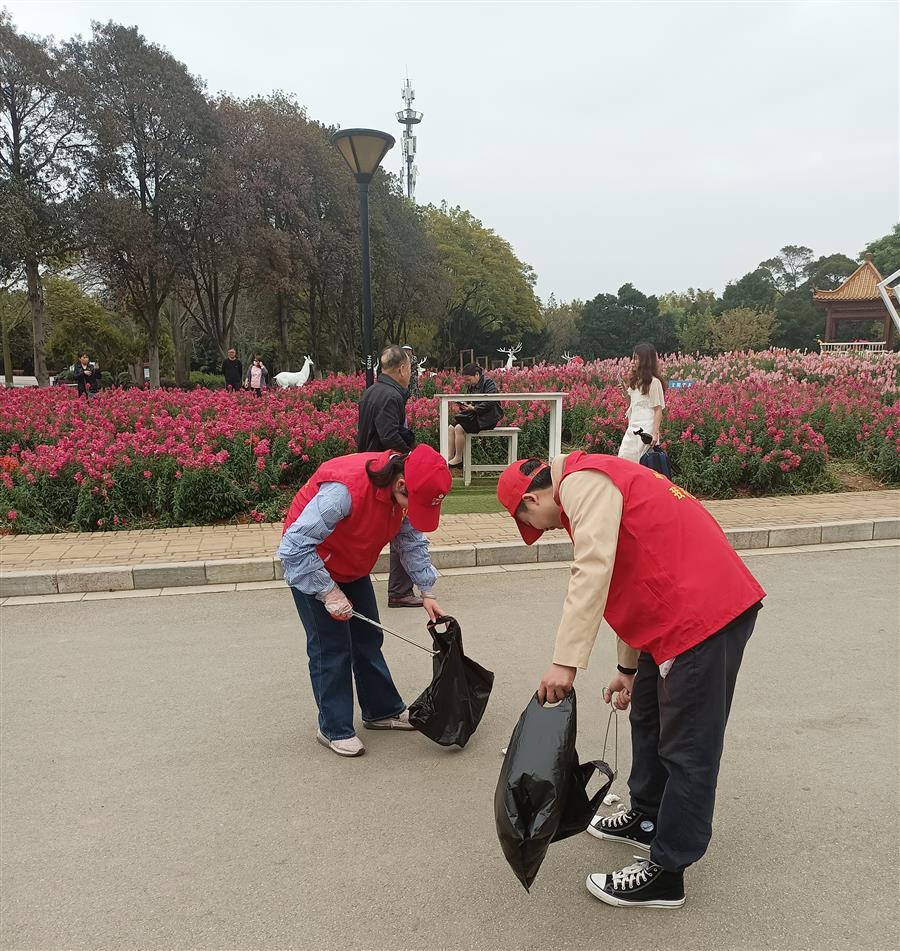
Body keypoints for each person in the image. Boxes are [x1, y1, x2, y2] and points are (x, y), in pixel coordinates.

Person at [496, 452, 765, 909]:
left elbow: (594, 568)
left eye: (534, 522)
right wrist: (627, 668)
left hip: (702, 616)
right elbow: (629, 577)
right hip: (676, 610)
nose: (548, 528)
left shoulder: (580, 483)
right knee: (648, 717)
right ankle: (647, 817)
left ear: (533, 499)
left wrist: (565, 662)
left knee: (688, 748)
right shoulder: (595, 480)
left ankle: (668, 871)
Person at [277, 445, 451, 758]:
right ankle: (333, 728)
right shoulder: (343, 492)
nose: (412, 513)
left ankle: (381, 711)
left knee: (368, 638)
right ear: (401, 484)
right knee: (331, 647)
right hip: (312, 564)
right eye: (414, 504)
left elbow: (410, 540)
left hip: (352, 563)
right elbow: (294, 547)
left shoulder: (405, 490)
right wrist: (329, 592)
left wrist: (427, 591)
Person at [358, 346, 421, 609]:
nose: (411, 373)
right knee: (405, 530)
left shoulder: (372, 391)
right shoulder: (391, 396)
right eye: (410, 368)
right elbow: (389, 436)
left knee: (380, 531)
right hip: (386, 472)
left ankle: (392, 588)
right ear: (402, 369)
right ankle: (399, 591)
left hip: (371, 467)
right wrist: (412, 458)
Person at [447, 363, 503, 467]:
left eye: (468, 379)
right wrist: (465, 405)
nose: (467, 382)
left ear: (477, 374)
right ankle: (449, 456)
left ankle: (458, 457)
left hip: (487, 418)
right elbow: (471, 402)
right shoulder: (472, 386)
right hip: (475, 416)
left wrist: (474, 408)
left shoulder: (488, 383)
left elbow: (491, 402)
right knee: (451, 427)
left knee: (459, 428)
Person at [618, 343, 665, 462]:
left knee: (640, 463)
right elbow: (632, 404)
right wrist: (625, 393)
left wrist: (655, 433)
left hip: (646, 430)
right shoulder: (635, 382)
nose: (632, 362)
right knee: (624, 458)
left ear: (645, 361)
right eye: (632, 358)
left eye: (636, 358)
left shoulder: (654, 382)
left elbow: (658, 409)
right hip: (632, 428)